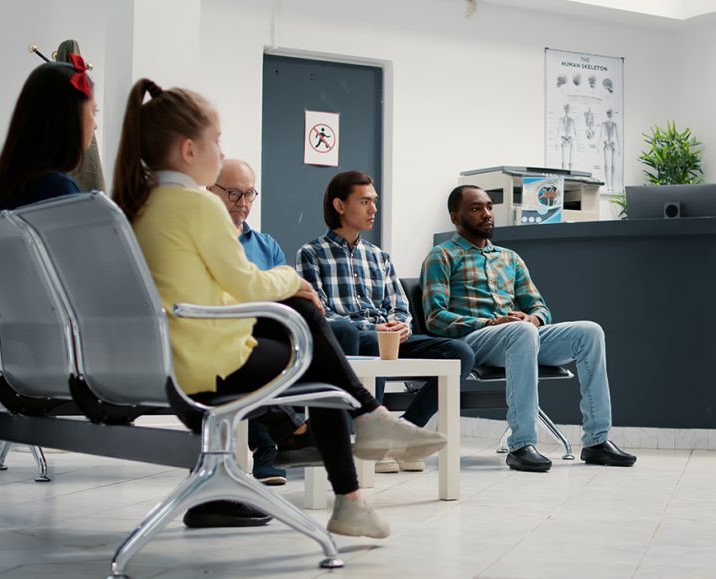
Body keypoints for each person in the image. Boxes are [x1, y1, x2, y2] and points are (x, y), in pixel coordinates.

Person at [112, 78, 446, 537]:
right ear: (190, 150)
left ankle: (366, 434)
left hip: (172, 361)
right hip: (209, 365)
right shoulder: (198, 205)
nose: (220, 149)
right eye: (217, 140)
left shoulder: (141, 205)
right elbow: (245, 282)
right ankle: (362, 450)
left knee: (309, 323)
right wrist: (295, 280)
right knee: (312, 331)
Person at [420, 185, 636, 473]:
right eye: (476, 209)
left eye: (488, 207)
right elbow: (436, 317)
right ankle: (521, 445)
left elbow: (540, 307)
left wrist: (532, 319)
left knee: (589, 331)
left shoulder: (509, 258)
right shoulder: (442, 256)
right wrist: (491, 323)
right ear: (455, 217)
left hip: (521, 335)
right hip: (474, 339)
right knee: (521, 332)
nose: (486, 214)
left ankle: (596, 442)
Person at [296, 170, 475, 474]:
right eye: (364, 201)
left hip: (390, 339)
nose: (373, 209)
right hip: (354, 340)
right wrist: (373, 329)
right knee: (358, 339)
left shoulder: (380, 257)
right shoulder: (311, 254)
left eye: (375, 202)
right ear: (340, 206)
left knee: (461, 354)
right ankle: (372, 436)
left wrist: (401, 325)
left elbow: (399, 305)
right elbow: (320, 313)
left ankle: (400, 436)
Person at [207, 159, 327, 487]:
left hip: (268, 322)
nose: (242, 204)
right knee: (264, 343)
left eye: (249, 195)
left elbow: (284, 292)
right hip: (226, 330)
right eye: (233, 194)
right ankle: (273, 445)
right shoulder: (206, 238)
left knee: (311, 327)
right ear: (209, 189)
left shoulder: (266, 244)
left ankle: (309, 429)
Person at [0, 57, 96, 210]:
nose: (95, 125)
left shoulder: (6, 187)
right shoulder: (58, 189)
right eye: (94, 112)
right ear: (69, 118)